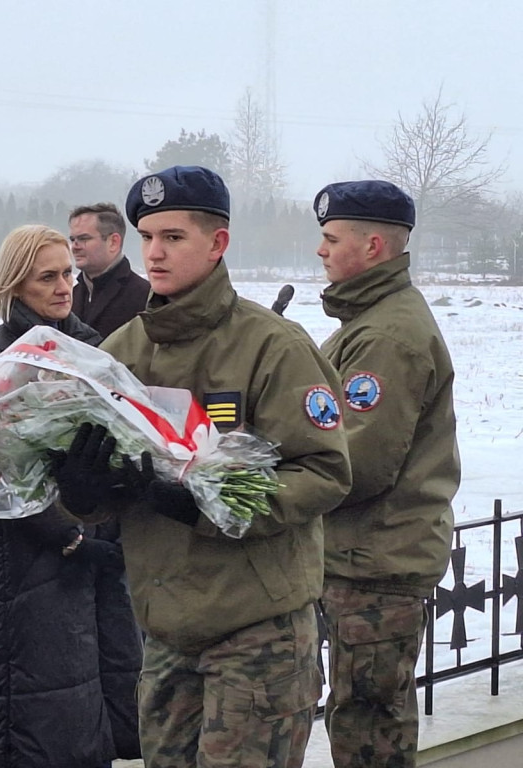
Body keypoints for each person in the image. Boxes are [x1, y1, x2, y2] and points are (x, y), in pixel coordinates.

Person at [50, 166, 352, 768]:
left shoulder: (273, 347)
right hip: (165, 630)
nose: (155, 253)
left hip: (255, 630)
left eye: (174, 237)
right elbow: (104, 480)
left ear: (218, 243)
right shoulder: (121, 354)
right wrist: (83, 494)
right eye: (147, 237)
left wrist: (206, 501)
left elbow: (323, 473)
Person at [0, 224, 142, 768]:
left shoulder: (86, 346)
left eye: (68, 272)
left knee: (91, 712)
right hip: (28, 561)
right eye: (47, 277)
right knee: (40, 719)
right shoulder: (1, 357)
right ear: (16, 285)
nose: (64, 285)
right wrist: (67, 536)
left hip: (92, 549)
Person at [312, 180, 460, 768]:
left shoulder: (385, 335)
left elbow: (358, 461)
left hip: (375, 563)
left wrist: (280, 481)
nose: (320, 251)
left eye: (330, 238)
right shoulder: (373, 318)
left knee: (367, 724)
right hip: (370, 555)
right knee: (369, 714)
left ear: (372, 246)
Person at [68, 202, 149, 338]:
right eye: (72, 239)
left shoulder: (145, 298)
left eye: (83, 239)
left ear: (113, 242)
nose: (75, 247)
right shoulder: (70, 296)